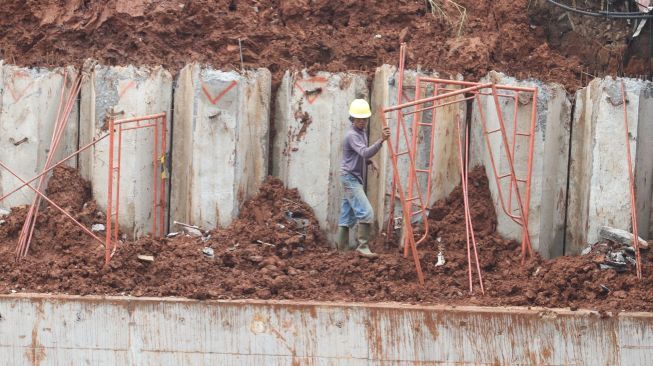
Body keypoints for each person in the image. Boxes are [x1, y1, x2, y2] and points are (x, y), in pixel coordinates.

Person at [336, 98, 391, 258]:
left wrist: (369, 161)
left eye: (364, 119)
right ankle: (362, 247)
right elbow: (364, 151)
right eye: (359, 119)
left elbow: (359, 155)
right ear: (352, 118)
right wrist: (381, 140)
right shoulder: (352, 135)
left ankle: (341, 250)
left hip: (351, 177)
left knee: (346, 215)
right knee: (366, 212)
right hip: (350, 178)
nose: (362, 122)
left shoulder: (361, 133)